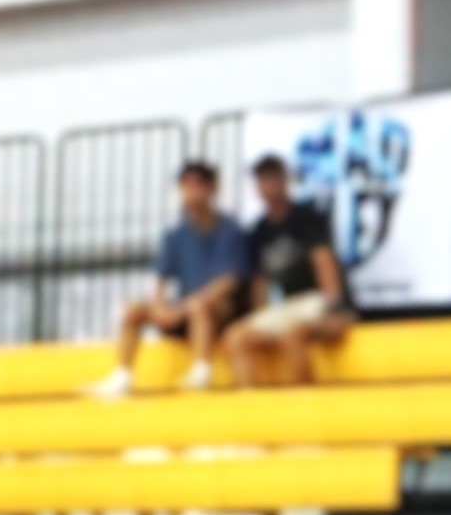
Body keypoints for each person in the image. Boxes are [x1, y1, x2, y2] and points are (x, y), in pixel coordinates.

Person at [91, 157, 252, 397]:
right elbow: (160, 279)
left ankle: (201, 372)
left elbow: (229, 281)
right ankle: (122, 376)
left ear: (212, 188)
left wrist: (186, 306)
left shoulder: (231, 230)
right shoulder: (175, 234)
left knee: (201, 305)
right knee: (133, 309)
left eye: (197, 184)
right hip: (185, 311)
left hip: (218, 313)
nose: (190, 192)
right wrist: (159, 306)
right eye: (185, 185)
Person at [228, 151, 353, 387]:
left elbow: (324, 262)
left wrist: (334, 305)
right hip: (292, 306)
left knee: (292, 335)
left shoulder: (307, 217)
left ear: (285, 180)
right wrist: (261, 318)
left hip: (319, 301)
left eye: (273, 177)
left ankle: (303, 407)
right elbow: (260, 282)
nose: (268, 185)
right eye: (262, 179)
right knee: (236, 337)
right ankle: (249, 411)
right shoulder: (259, 230)